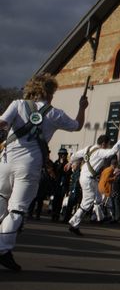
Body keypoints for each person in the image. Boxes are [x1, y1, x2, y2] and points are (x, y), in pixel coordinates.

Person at [0, 74, 87, 271]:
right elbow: (77, 126)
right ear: (49, 92)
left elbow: (2, 124)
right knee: (17, 209)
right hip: (28, 165)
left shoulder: (17, 104)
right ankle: (3, 249)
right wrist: (82, 107)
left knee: (1, 197)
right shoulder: (55, 113)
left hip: (5, 162)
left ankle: (4, 247)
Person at [67, 130, 120, 235]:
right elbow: (112, 152)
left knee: (98, 197)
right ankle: (73, 223)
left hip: (88, 178)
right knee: (87, 202)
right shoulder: (99, 151)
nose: (107, 146)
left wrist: (70, 162)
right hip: (89, 179)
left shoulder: (88, 148)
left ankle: (100, 216)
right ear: (103, 144)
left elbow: (75, 155)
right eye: (107, 145)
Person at [51, 148, 71, 222]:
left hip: (63, 185)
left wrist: (63, 164)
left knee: (60, 201)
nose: (63, 156)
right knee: (54, 200)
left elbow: (68, 174)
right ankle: (53, 214)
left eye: (64, 155)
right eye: (61, 155)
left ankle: (57, 215)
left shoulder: (67, 164)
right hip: (56, 184)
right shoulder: (56, 163)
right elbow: (54, 172)